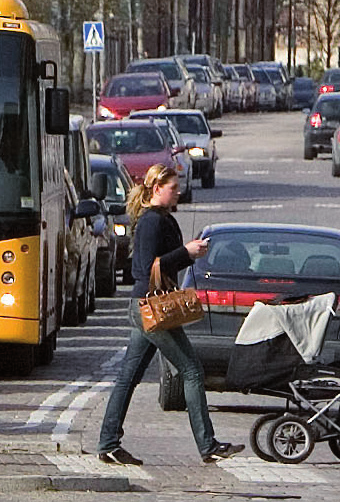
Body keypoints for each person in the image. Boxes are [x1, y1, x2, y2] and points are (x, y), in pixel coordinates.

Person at [97, 164, 242, 465]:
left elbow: (164, 262)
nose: (178, 192)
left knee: (128, 377)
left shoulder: (162, 219)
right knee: (191, 370)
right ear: (156, 189)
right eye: (173, 188)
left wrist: (190, 254)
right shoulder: (151, 221)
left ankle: (108, 443)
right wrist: (186, 253)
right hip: (150, 308)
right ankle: (208, 445)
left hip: (146, 307)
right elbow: (144, 267)